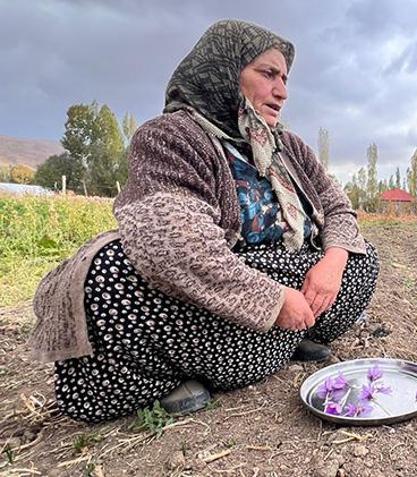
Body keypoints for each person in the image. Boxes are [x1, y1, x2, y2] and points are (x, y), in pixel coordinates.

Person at [28, 20, 379, 423]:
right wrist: (274, 302)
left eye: (284, 78)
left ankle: (285, 337)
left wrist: (331, 265)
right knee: (107, 274)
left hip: (288, 276)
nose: (282, 90)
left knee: (361, 259)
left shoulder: (289, 146)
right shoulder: (170, 137)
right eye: (267, 74)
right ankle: (176, 374)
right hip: (219, 290)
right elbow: (176, 247)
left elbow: (338, 208)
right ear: (225, 72)